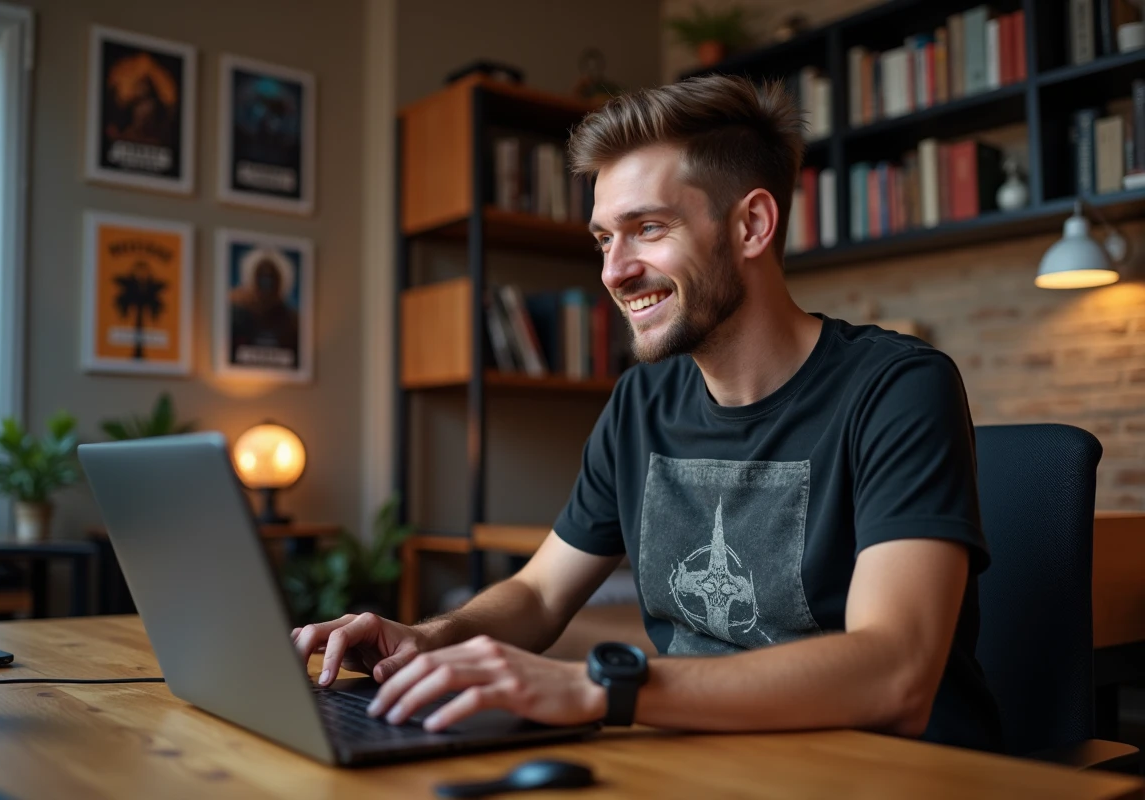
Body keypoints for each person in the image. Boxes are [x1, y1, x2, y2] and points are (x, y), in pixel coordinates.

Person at [292, 75, 1003, 752]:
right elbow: (540, 593)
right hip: (704, 760)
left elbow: (896, 672)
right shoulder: (642, 401)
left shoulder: (897, 388)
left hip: (886, 774)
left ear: (752, 224)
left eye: (648, 229)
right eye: (604, 238)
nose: (613, 270)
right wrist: (426, 637)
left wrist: (598, 687)